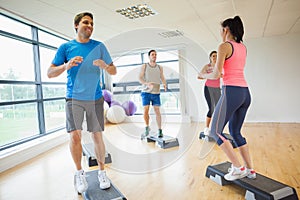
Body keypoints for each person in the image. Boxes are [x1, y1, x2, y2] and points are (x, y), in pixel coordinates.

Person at [47, 12, 117, 193]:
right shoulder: (66, 47)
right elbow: (50, 72)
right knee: (75, 136)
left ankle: (102, 172)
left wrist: (106, 66)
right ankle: (79, 173)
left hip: (95, 97)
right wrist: (66, 66)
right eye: (86, 22)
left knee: (97, 135)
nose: (90, 26)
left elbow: (114, 71)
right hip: (74, 98)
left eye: (92, 23)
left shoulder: (99, 46)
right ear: (76, 25)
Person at [198, 16, 256, 181]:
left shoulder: (224, 46)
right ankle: (250, 170)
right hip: (245, 93)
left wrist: (202, 74)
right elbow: (231, 68)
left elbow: (216, 74)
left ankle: (238, 167)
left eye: (221, 30)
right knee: (235, 132)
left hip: (232, 92)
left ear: (226, 30)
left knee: (215, 131)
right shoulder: (243, 48)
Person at [139, 50, 167, 139]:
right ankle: (147, 127)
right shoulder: (145, 66)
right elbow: (140, 78)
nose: (154, 56)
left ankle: (160, 130)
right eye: (152, 54)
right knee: (146, 110)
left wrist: (164, 83)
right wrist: (147, 84)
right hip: (146, 92)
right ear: (149, 56)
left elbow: (162, 77)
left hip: (156, 92)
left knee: (157, 111)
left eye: (155, 55)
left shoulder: (159, 67)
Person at [198, 51, 221, 135]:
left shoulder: (220, 66)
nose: (215, 58)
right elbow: (199, 76)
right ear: (210, 58)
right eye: (213, 56)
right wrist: (211, 75)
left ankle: (216, 128)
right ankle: (207, 128)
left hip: (217, 89)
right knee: (211, 109)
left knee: (219, 108)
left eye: (217, 56)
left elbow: (222, 75)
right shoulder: (207, 67)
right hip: (208, 89)